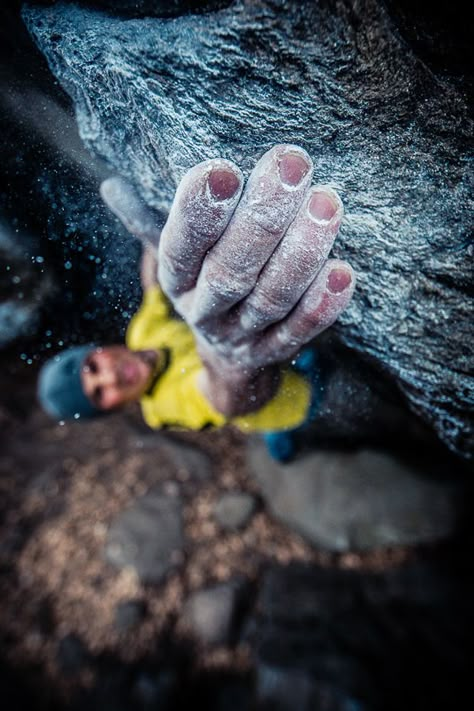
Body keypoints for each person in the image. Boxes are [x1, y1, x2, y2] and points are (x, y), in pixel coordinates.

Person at [38, 144, 355, 460]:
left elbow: (153, 288)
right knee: (313, 418)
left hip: (281, 360)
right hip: (297, 404)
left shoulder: (141, 334)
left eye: (92, 367)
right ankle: (289, 442)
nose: (111, 377)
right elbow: (223, 399)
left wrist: (152, 241)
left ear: (97, 351)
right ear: (115, 408)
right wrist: (230, 365)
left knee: (309, 356)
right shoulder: (163, 408)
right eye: (99, 393)